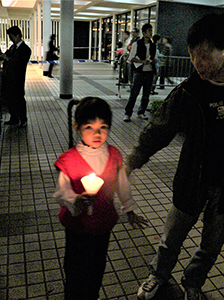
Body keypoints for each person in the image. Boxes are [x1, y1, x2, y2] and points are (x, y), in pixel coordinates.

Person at [125, 13, 224, 300]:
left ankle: (193, 283)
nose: (197, 64)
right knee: (171, 238)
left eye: (204, 56)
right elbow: (159, 129)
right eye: (193, 57)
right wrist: (132, 161)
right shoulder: (188, 92)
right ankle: (158, 275)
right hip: (193, 180)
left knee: (212, 244)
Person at [53, 97, 148, 300]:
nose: (97, 134)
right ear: (77, 127)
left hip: (103, 222)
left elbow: (121, 183)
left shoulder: (113, 155)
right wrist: (76, 199)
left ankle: (92, 294)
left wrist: (129, 208)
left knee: (97, 264)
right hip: (77, 224)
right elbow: (62, 190)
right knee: (76, 266)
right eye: (90, 127)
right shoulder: (70, 159)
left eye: (103, 127)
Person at [0, 26, 31, 127]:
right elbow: (5, 56)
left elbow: (19, 63)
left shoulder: (25, 49)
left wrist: (7, 58)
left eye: (11, 36)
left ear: (17, 35)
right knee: (10, 98)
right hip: (8, 78)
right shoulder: (13, 47)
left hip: (18, 79)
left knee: (19, 99)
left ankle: (23, 119)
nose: (10, 39)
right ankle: (14, 118)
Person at [123, 23, 156, 122]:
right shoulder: (137, 44)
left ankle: (141, 112)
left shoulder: (153, 45)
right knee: (134, 93)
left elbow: (155, 58)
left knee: (146, 95)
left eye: (151, 31)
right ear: (144, 32)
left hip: (149, 72)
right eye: (149, 31)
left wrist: (153, 61)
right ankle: (128, 113)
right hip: (139, 72)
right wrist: (142, 62)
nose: (151, 33)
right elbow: (131, 58)